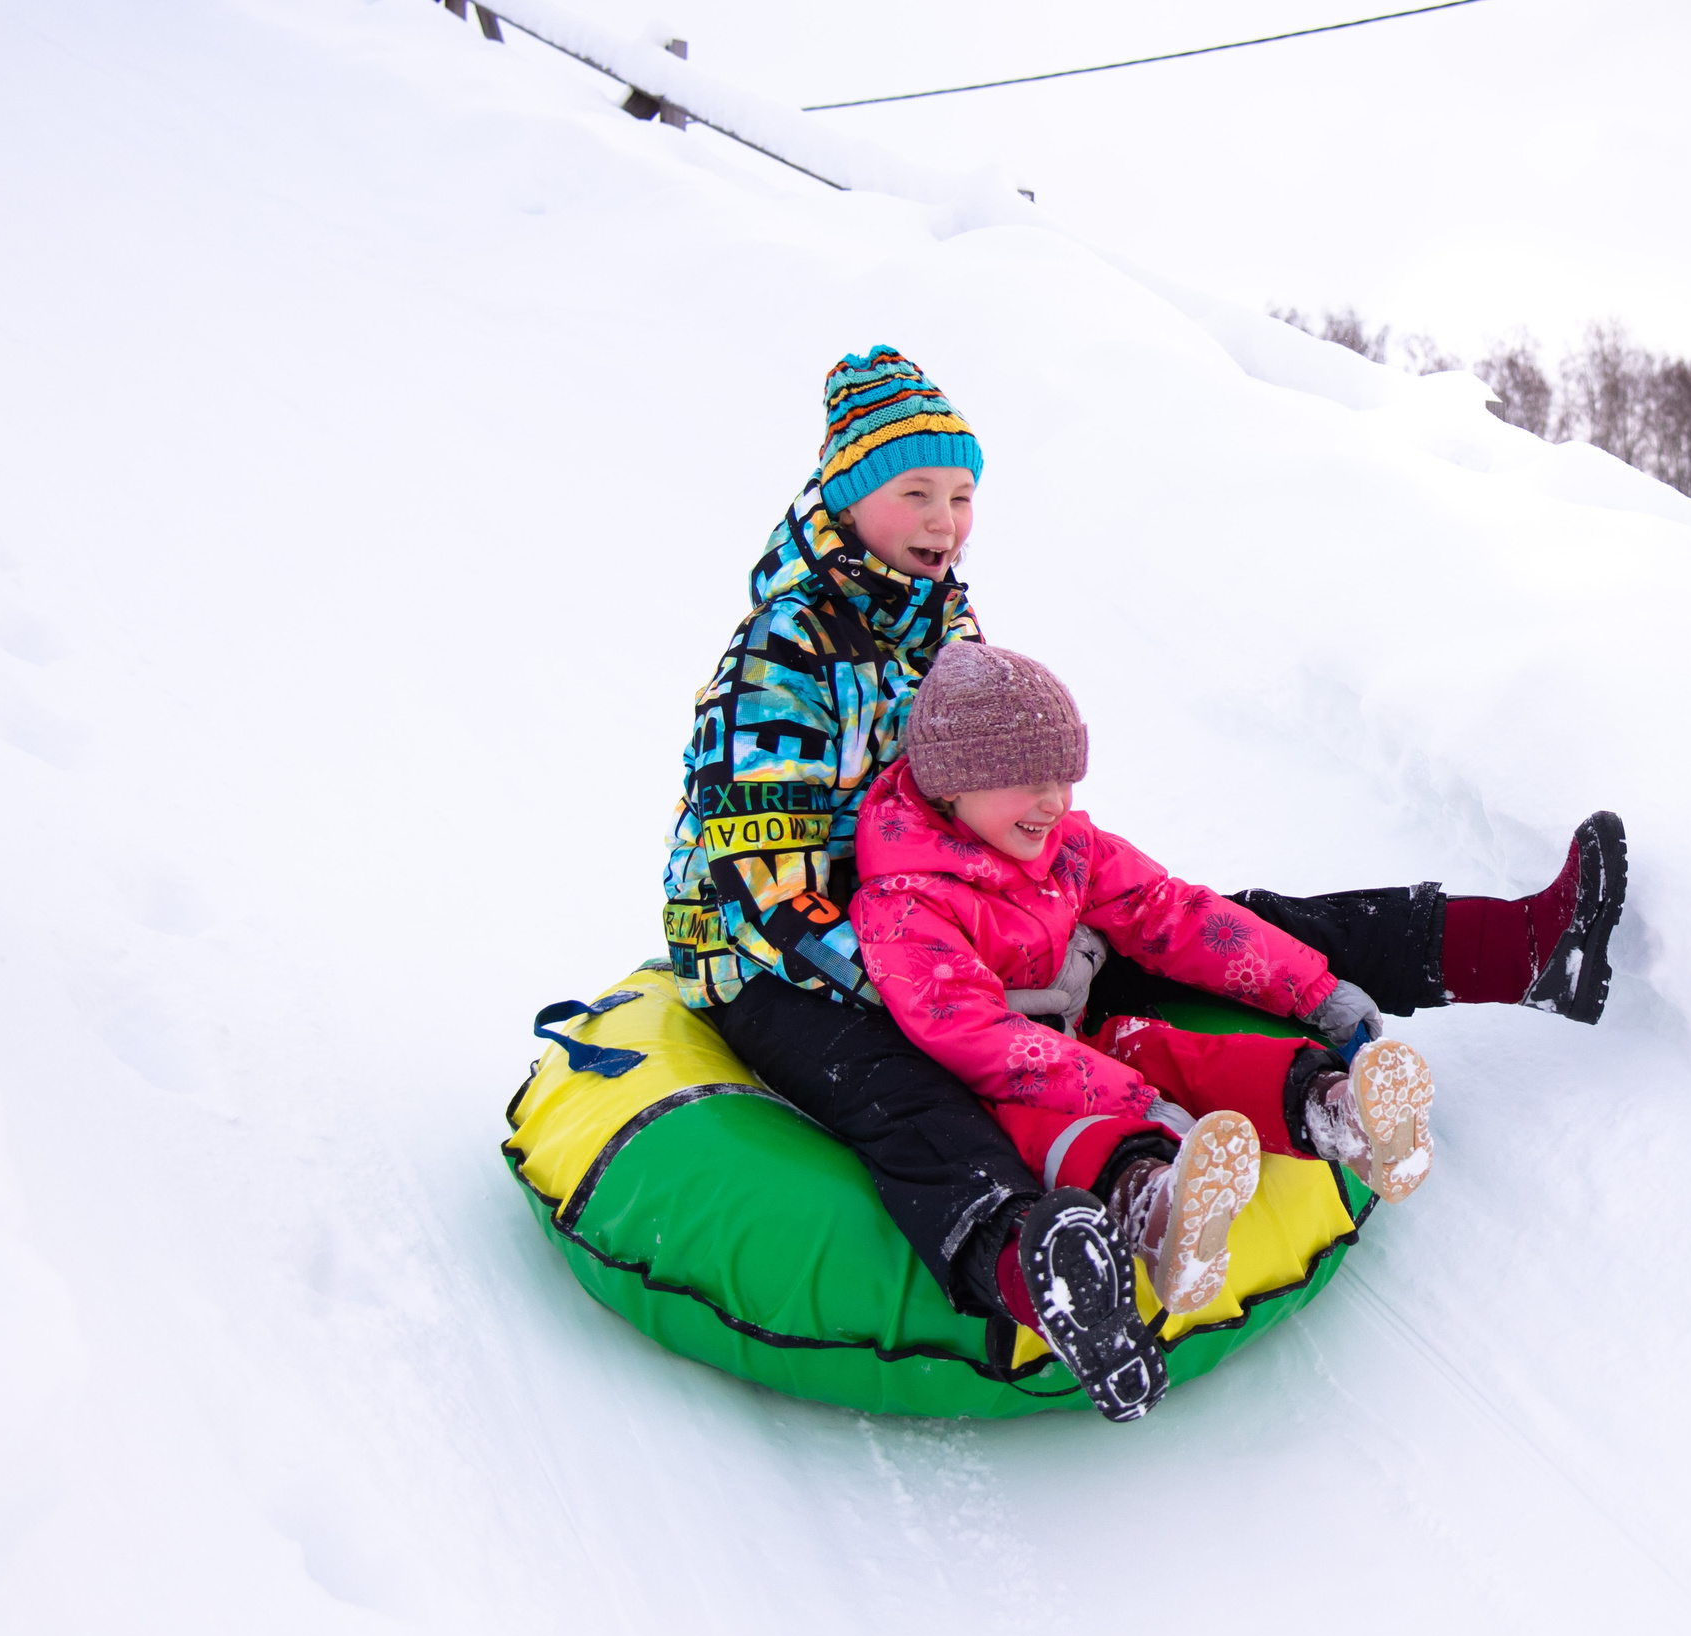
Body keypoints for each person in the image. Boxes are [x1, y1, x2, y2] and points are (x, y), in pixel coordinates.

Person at [662, 345, 1629, 1417]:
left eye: (962, 496)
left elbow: (985, 775)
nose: (946, 521)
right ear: (848, 499)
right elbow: (761, 884)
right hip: (783, 955)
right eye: (917, 494)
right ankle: (1041, 1265)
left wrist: (1048, 900)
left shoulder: (940, 617)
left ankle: (1521, 951)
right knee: (910, 1089)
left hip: (960, 897)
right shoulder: (782, 653)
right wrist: (943, 978)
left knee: (1211, 925)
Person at [850, 641, 1442, 1417]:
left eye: (1064, 776)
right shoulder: (904, 902)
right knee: (1067, 1128)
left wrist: (1312, 987)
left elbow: (1176, 914)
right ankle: (1157, 1212)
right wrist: (1134, 1101)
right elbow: (972, 1036)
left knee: (1168, 1049)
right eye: (1028, 779)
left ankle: (1334, 1108)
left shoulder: (1068, 847)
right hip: (996, 1086)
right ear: (953, 781)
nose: (1054, 800)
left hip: (1080, 1041)